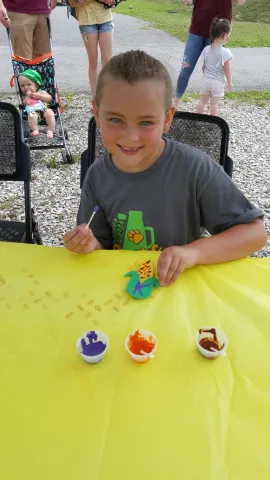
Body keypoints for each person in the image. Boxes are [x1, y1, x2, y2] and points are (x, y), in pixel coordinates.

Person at [64, 50, 267, 287]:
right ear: (97, 114)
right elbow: (101, 243)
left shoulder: (195, 168)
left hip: (179, 289)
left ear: (168, 118)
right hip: (125, 291)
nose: (131, 137)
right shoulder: (97, 175)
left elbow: (255, 234)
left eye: (146, 122)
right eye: (116, 120)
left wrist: (194, 253)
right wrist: (89, 245)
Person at [174, 0, 247, 109]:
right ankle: (175, 105)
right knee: (186, 68)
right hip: (197, 29)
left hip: (218, 32)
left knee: (212, 71)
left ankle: (206, 106)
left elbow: (240, 2)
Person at [69, 0, 115, 96]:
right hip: (87, 22)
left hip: (106, 19)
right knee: (93, 61)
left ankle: (108, 96)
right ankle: (95, 97)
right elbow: (73, 2)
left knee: (108, 60)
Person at [196, 18, 233, 116]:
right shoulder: (225, 53)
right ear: (225, 36)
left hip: (206, 81)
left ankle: (197, 120)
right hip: (218, 83)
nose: (228, 37)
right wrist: (229, 83)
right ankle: (213, 124)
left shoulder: (206, 49)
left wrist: (207, 76)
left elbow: (203, 67)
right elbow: (227, 71)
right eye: (228, 35)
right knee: (214, 105)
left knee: (202, 102)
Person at [18, 69, 55, 139]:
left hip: (44, 110)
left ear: (37, 86)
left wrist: (41, 96)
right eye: (22, 86)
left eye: (29, 84)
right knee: (32, 116)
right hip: (33, 112)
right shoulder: (24, 96)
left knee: (50, 113)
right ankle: (35, 129)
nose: (26, 87)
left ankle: (50, 130)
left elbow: (50, 98)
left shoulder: (41, 92)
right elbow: (24, 104)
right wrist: (27, 97)